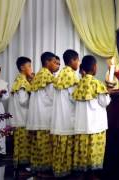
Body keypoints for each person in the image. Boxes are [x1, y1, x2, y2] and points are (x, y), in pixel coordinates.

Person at [72, 55, 111, 178]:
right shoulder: (96, 83)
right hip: (95, 125)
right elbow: (104, 102)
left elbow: (73, 101)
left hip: (82, 125)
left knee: (83, 151)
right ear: (94, 67)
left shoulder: (78, 84)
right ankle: (93, 175)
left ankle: (83, 174)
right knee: (94, 152)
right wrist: (108, 93)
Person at [26, 52, 59, 176]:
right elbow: (53, 97)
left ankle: (37, 171)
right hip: (45, 117)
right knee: (46, 146)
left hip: (36, 118)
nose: (56, 65)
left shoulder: (38, 75)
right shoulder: (48, 76)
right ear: (47, 62)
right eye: (54, 62)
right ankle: (45, 172)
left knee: (37, 145)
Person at [51, 49, 80, 177]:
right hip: (67, 116)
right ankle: (65, 172)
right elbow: (74, 97)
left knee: (59, 147)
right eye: (77, 60)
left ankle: (58, 170)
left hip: (58, 117)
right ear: (72, 60)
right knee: (67, 146)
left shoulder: (60, 74)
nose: (78, 63)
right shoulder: (72, 75)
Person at [8, 57, 33, 175]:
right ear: (22, 67)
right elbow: (23, 101)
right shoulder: (23, 82)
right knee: (24, 145)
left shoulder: (18, 80)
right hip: (22, 119)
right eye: (29, 66)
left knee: (19, 145)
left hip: (18, 119)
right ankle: (22, 170)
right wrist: (33, 95)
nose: (31, 69)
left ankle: (19, 170)